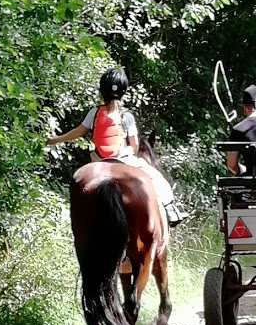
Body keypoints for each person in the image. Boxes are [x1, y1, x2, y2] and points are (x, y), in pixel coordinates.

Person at [47, 68, 188, 226]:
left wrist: (55, 139)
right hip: (122, 160)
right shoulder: (127, 116)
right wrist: (128, 151)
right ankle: (171, 210)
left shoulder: (94, 113)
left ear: (102, 92)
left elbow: (77, 132)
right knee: (156, 177)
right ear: (123, 92)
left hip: (98, 161)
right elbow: (134, 147)